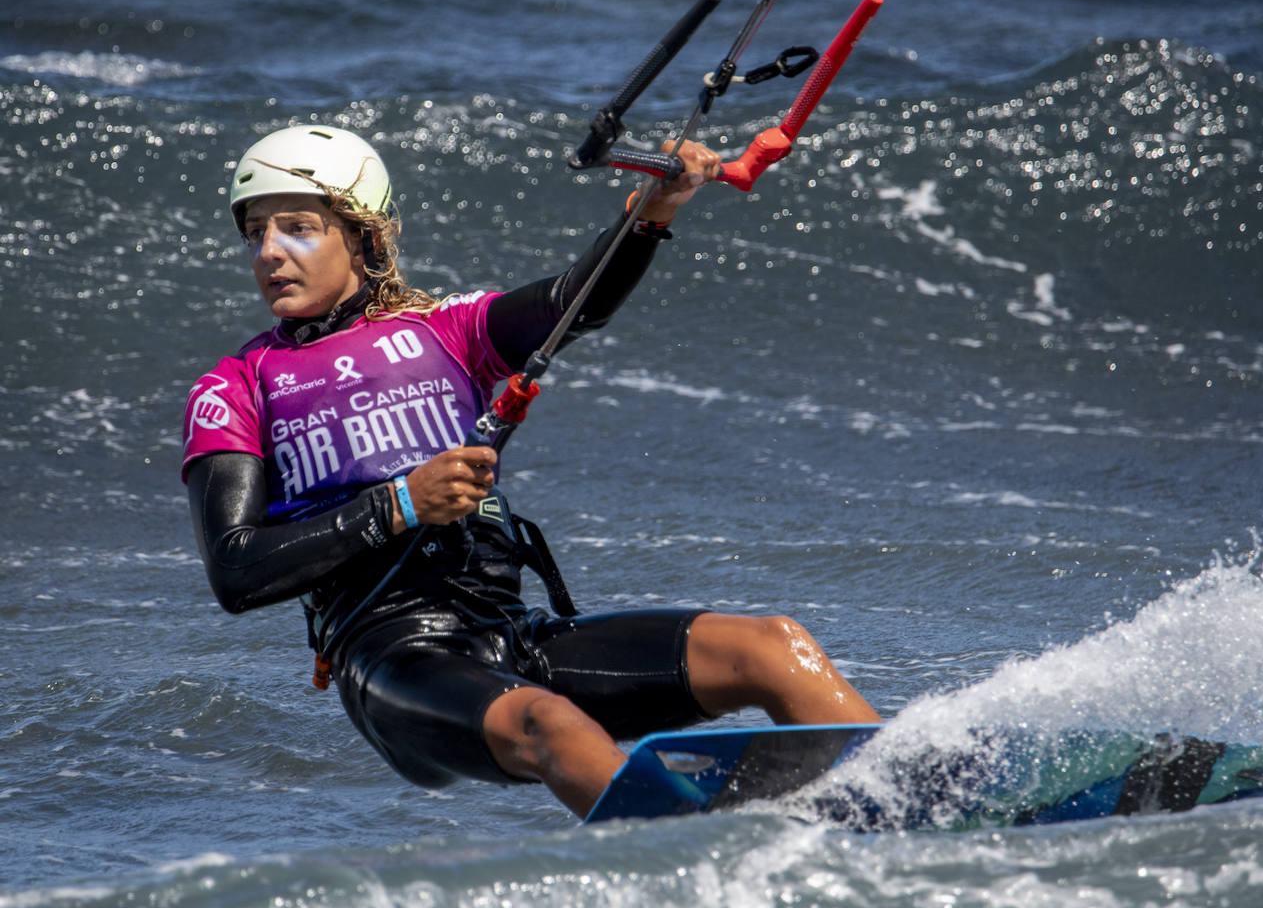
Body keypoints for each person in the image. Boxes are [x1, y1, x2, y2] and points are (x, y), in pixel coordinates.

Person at [182, 123, 879, 818]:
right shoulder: (237, 387)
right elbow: (238, 571)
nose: (269, 252)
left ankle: (900, 797)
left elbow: (576, 303)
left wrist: (650, 213)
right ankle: (687, 865)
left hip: (512, 633)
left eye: (297, 228)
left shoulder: (444, 329)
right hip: (395, 659)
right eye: (256, 234)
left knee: (771, 646)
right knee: (553, 726)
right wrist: (401, 503)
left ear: (361, 235)